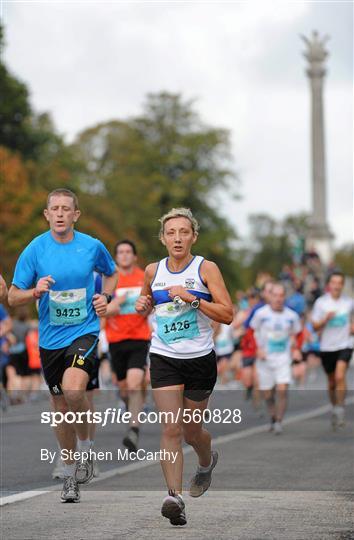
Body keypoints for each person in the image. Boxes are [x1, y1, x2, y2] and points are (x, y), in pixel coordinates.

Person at [8, 188, 117, 503]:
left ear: (75, 215)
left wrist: (105, 297)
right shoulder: (35, 250)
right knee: (60, 409)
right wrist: (34, 292)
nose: (59, 213)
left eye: (65, 208)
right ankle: (69, 475)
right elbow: (13, 295)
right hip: (50, 340)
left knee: (74, 391)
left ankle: (86, 451)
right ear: (46, 214)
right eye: (53, 208)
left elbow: (111, 275)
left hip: (84, 332)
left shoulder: (92, 246)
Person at [135, 208, 233, 526]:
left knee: (192, 432)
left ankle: (205, 462)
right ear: (163, 238)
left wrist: (192, 299)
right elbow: (145, 302)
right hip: (164, 357)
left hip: (200, 360)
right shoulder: (153, 270)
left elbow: (227, 314)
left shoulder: (207, 268)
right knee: (171, 429)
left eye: (184, 232)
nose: (177, 238)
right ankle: (174, 497)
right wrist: (142, 305)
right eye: (171, 232)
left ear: (193, 236)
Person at [105, 240, 151, 452]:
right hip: (115, 339)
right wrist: (118, 303)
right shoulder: (109, 279)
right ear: (116, 257)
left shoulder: (143, 277)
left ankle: (133, 429)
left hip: (139, 338)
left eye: (128, 252)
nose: (124, 255)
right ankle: (131, 401)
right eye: (120, 252)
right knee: (124, 388)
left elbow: (151, 305)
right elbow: (102, 310)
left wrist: (145, 308)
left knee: (133, 383)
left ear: (134, 256)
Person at [250, 283, 301, 434]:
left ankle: (279, 421)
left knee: (282, 389)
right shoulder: (261, 314)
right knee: (267, 393)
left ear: (284, 297)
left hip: (283, 358)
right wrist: (258, 349)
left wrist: (296, 348)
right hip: (265, 359)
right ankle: (273, 415)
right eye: (275, 295)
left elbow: (297, 334)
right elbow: (251, 332)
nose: (278, 299)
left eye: (281, 295)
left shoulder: (292, 316)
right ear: (270, 296)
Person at [311, 272, 353, 429]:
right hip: (327, 346)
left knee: (340, 375)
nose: (336, 285)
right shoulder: (321, 303)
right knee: (331, 381)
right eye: (333, 282)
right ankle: (334, 406)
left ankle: (341, 408)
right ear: (329, 285)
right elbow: (314, 327)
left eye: (339, 283)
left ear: (342, 285)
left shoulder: (349, 303)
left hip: (345, 344)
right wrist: (325, 319)